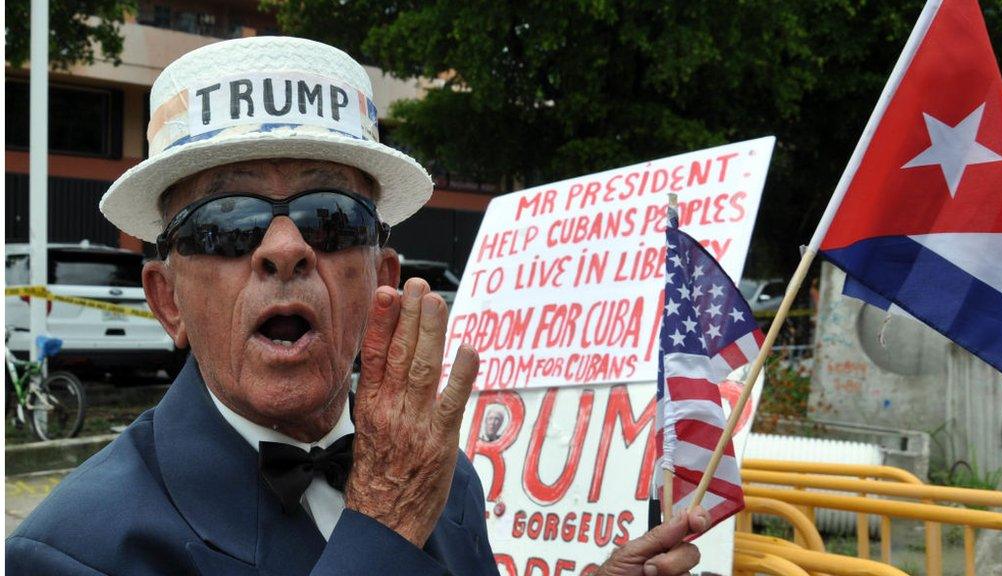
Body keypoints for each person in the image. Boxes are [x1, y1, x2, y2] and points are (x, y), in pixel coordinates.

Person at [6, 36, 710, 575]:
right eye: (226, 223)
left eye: (330, 216)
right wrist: (384, 526)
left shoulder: (444, 476)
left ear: (384, 280)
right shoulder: (75, 550)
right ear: (168, 302)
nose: (285, 247)